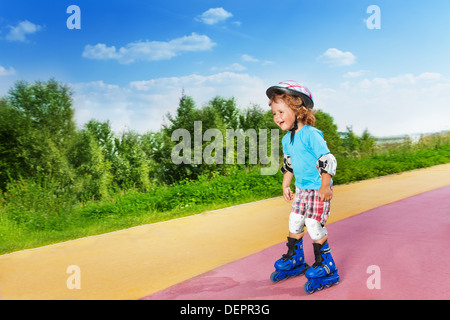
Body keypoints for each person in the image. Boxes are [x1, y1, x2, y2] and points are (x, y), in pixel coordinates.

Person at [267, 80, 340, 293]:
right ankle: (295, 260)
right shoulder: (287, 140)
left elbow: (327, 159)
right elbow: (289, 164)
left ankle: (326, 265)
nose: (277, 117)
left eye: (281, 111)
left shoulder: (311, 134)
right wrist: (285, 184)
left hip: (318, 188)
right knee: (295, 221)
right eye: (274, 113)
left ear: (299, 110)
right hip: (301, 190)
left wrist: (326, 185)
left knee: (314, 224)